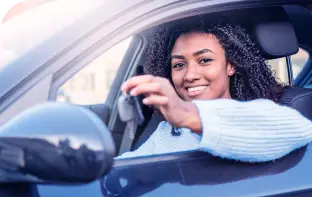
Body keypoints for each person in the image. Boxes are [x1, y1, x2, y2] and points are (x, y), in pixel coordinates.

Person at [118, 19, 312, 162]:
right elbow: (128, 167)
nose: (189, 75)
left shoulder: (259, 117)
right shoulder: (167, 131)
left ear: (231, 66)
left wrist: (187, 115)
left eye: (205, 60)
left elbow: (299, 129)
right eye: (179, 65)